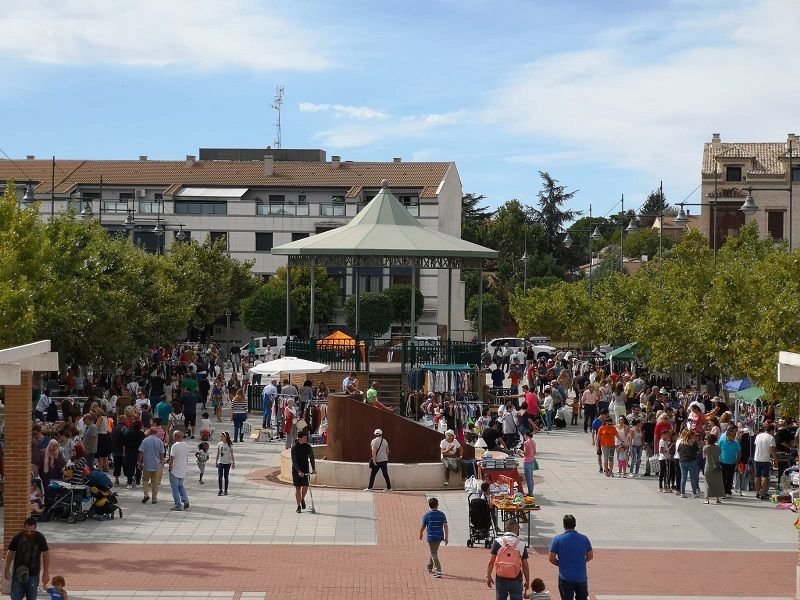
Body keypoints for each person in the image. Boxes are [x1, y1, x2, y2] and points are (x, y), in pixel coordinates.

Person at [549, 514, 593, 600]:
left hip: (565, 577)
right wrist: (581, 561)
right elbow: (590, 556)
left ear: (564, 525)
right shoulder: (584, 539)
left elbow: (551, 558)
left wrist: (560, 563)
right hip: (581, 577)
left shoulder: (557, 539)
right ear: (575, 524)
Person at [4, 517, 49, 600]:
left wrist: (46, 573)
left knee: (32, 598)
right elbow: (10, 553)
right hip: (18, 574)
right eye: (26, 531)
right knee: (16, 598)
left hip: (33, 574)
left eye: (32, 531)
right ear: (23, 527)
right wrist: (6, 570)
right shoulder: (17, 537)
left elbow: (46, 554)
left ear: (35, 528)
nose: (29, 533)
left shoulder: (40, 538)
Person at [486, 519, 530, 600]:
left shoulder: (497, 542)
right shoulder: (521, 544)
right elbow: (525, 566)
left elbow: (491, 561)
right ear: (515, 529)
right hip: (516, 578)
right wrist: (527, 581)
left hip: (501, 577)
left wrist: (488, 576)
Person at [419, 497, 448, 578]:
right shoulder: (442, 514)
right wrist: (446, 537)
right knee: (434, 552)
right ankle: (430, 566)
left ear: (429, 505)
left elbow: (423, 526)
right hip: (439, 536)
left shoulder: (426, 515)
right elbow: (445, 526)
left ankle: (438, 570)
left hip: (431, 536)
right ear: (437, 505)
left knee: (433, 553)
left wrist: (420, 534)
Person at [137, 427, 165, 504]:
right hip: (156, 464)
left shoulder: (145, 441)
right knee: (155, 482)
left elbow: (141, 453)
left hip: (147, 464)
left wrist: (139, 462)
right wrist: (162, 462)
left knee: (145, 480)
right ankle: (154, 498)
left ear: (149, 432)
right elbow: (162, 453)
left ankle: (146, 494)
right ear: (156, 433)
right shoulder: (159, 441)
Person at [290, 430, 316, 512]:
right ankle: (298, 506)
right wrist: (298, 471)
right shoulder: (294, 447)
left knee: (305, 486)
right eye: (305, 437)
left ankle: (302, 499)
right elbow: (294, 461)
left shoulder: (308, 446)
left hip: (305, 469)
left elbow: (312, 457)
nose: (306, 439)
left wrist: (314, 468)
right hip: (296, 470)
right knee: (298, 488)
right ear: (300, 438)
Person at [754, 423, 777, 500]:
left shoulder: (758, 436)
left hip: (757, 458)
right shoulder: (771, 438)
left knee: (757, 476)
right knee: (765, 476)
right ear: (772, 430)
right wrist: (775, 459)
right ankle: (763, 493)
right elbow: (772, 450)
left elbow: (756, 445)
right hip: (766, 459)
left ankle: (757, 492)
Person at [168, 430, 190, 511]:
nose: (172, 437)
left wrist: (170, 468)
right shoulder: (186, 445)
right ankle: (185, 500)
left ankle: (178, 505)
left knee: (174, 488)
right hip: (183, 469)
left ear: (176, 437)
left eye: (173, 436)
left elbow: (171, 459)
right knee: (180, 486)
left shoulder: (175, 446)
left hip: (175, 470)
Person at [676, 429, 701, 498]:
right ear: (692, 435)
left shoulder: (682, 442)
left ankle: (682, 493)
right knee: (693, 477)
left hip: (682, 461)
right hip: (692, 461)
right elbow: (697, 451)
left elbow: (678, 451)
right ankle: (694, 493)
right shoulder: (694, 442)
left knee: (683, 477)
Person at [718, 425, 741, 496]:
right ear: (727, 435)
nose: (733, 438)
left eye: (734, 436)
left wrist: (736, 462)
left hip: (732, 463)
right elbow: (718, 450)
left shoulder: (736, 443)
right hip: (722, 462)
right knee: (723, 477)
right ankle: (723, 490)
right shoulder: (722, 441)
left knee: (730, 477)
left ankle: (728, 490)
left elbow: (739, 453)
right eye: (731, 436)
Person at [703, 433, 725, 504]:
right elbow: (719, 454)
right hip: (717, 467)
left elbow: (704, 456)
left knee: (708, 483)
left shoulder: (706, 448)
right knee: (718, 483)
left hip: (708, 467)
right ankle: (718, 499)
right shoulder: (718, 447)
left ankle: (707, 499)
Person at [216, 431, 235, 496]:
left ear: (225, 437)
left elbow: (232, 454)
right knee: (220, 476)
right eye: (220, 436)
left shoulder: (229, 445)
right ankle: (220, 489)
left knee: (226, 476)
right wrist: (216, 461)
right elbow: (218, 453)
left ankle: (226, 490)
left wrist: (233, 463)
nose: (221, 437)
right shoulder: (219, 444)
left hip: (227, 463)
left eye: (222, 436)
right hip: (221, 462)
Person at [520, 430, 537, 496]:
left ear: (525, 435)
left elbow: (526, 452)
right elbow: (534, 453)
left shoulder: (526, 443)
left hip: (527, 462)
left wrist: (520, 451)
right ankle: (531, 492)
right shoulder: (533, 442)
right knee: (531, 478)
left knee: (528, 478)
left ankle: (530, 493)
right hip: (532, 461)